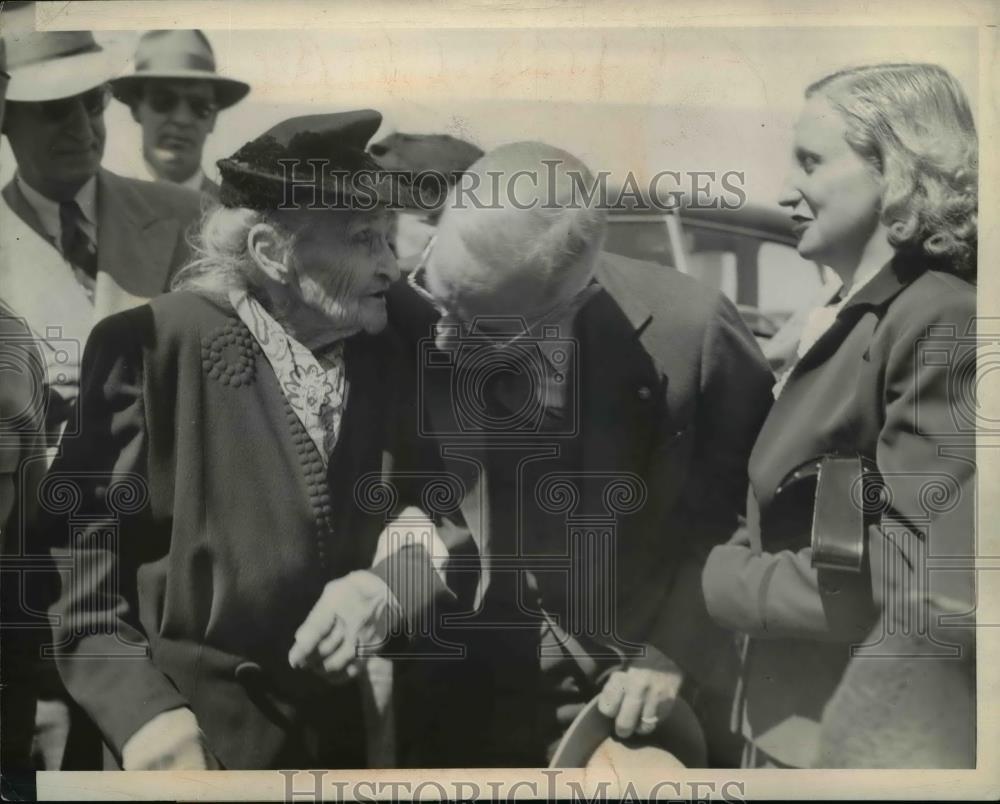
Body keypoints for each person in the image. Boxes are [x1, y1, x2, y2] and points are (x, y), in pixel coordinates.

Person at [40, 110, 438, 770]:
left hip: (331, 754)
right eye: (364, 240)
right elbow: (75, 574)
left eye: (389, 238)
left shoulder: (393, 339)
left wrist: (389, 584)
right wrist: (143, 717)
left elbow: (449, 501)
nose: (390, 268)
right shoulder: (151, 350)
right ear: (272, 253)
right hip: (182, 750)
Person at [386, 141, 774, 767]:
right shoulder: (400, 306)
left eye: (481, 325)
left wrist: (673, 651)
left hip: (617, 704)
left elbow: (744, 517)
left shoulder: (691, 333)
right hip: (449, 691)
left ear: (569, 304)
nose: (445, 339)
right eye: (439, 296)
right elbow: (405, 497)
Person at [701, 63, 977, 768]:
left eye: (811, 163)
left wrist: (721, 582)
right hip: (789, 720)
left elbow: (908, 575)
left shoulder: (940, 317)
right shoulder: (850, 314)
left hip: (856, 740)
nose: (784, 191)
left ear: (898, 172)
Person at [0, 10, 204, 772]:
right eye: (54, 109)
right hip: (28, 597)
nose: (83, 127)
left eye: (93, 102)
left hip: (161, 593)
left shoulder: (186, 218)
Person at [111, 29, 250, 198]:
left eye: (200, 106)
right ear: (136, 108)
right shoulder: (104, 205)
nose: (182, 119)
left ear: (213, 118)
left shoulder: (231, 211)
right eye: (163, 101)